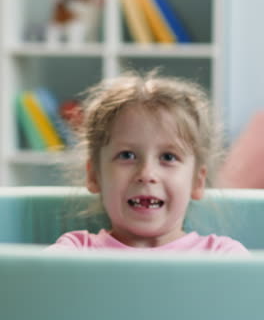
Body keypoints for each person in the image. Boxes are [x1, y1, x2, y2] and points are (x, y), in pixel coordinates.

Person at [49, 70, 248, 253]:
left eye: (168, 157)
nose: (146, 174)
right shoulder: (75, 252)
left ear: (197, 181)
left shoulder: (222, 256)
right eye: (127, 155)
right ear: (94, 175)